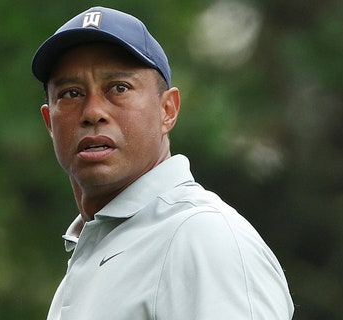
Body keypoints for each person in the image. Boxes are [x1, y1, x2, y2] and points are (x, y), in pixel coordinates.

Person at [31, 6, 294, 320]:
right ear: (50, 121)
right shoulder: (85, 263)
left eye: (119, 88)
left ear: (167, 110)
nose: (92, 111)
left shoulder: (201, 237)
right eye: (71, 93)